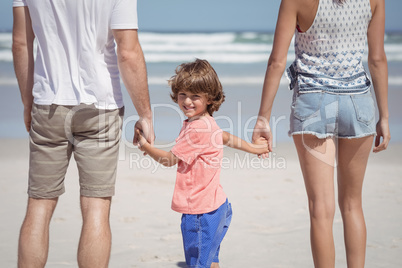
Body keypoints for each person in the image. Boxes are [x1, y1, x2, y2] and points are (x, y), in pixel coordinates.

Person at [12, 0, 154, 267]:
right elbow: (128, 51)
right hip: (101, 107)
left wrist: (27, 102)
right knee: (96, 207)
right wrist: (145, 113)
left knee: (39, 205)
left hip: (48, 104)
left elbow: (21, 43)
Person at [252, 0, 390, 267]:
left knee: (321, 210)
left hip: (313, 102)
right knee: (352, 205)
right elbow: (377, 58)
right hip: (358, 103)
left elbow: (276, 61)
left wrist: (263, 118)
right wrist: (384, 116)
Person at [136, 59, 269, 268]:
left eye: (195, 96)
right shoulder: (207, 122)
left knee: (199, 263)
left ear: (209, 98)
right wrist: (254, 148)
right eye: (182, 94)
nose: (187, 101)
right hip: (219, 206)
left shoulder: (197, 129)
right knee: (210, 260)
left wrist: (145, 147)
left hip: (200, 212)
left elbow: (169, 160)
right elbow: (225, 137)